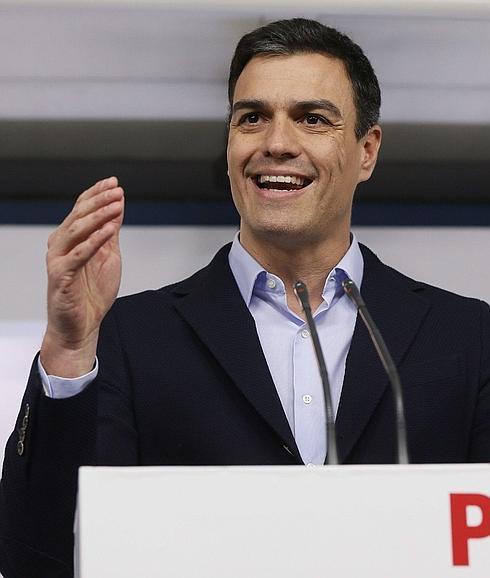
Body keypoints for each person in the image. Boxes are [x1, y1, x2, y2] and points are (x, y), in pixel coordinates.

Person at [1, 17, 489, 578]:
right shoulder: (129, 337)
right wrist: (68, 348)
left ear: (367, 151)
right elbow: (36, 557)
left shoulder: (469, 338)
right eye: (252, 118)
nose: (276, 144)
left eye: (312, 118)